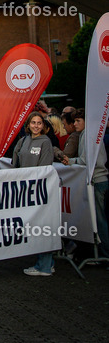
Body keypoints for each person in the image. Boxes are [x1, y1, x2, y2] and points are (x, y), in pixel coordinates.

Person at [13, 111, 56, 276]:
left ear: (43, 126)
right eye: (33, 123)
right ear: (28, 125)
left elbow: (45, 168)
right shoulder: (23, 140)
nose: (36, 126)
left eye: (39, 123)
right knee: (35, 228)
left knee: (43, 226)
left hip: (40, 190)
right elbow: (16, 164)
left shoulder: (45, 142)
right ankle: (48, 263)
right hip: (25, 190)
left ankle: (44, 267)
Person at [63, 109, 109, 258]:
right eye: (74, 121)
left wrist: (70, 161)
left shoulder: (89, 135)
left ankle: (105, 254)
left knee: (100, 221)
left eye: (78, 121)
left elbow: (89, 161)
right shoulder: (88, 134)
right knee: (98, 220)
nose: (75, 124)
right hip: (98, 180)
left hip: (97, 181)